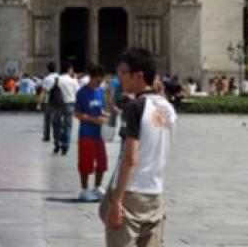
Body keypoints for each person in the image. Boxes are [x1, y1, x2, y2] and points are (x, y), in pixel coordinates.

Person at [101, 47, 176, 246]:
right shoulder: (168, 108)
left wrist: (117, 201)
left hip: (131, 193)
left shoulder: (135, 107)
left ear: (139, 76)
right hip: (155, 193)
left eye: (123, 73)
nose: (120, 78)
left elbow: (130, 157)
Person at [75, 64, 110, 202]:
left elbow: (102, 108)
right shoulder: (82, 93)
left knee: (102, 161)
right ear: (91, 78)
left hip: (99, 133)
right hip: (86, 133)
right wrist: (93, 119)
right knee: (86, 161)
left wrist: (105, 115)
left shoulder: (100, 91)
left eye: (101, 81)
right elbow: (77, 114)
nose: (99, 83)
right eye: (97, 80)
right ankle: (84, 189)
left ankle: (98, 187)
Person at [52, 61, 81, 155]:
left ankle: (58, 141)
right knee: (68, 126)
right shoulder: (73, 80)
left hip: (58, 104)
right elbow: (78, 92)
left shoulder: (58, 79)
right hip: (70, 104)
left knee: (57, 124)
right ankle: (65, 147)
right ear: (69, 70)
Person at [39, 61, 59, 144]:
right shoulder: (59, 77)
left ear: (48, 69)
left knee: (47, 120)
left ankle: (46, 136)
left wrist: (39, 103)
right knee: (57, 120)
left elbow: (43, 92)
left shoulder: (47, 79)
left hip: (48, 101)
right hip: (58, 101)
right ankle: (57, 136)